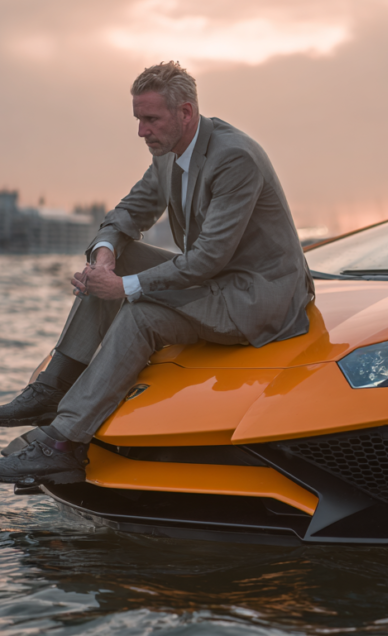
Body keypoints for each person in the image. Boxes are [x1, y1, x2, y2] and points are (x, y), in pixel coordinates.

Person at [0, 61, 313, 486]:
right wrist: (106, 258)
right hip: (213, 282)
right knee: (114, 265)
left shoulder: (234, 158)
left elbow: (208, 259)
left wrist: (123, 288)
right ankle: (54, 388)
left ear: (185, 113)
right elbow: (131, 211)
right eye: (138, 119)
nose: (142, 131)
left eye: (151, 119)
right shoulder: (169, 154)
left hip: (256, 296)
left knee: (140, 312)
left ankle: (63, 444)